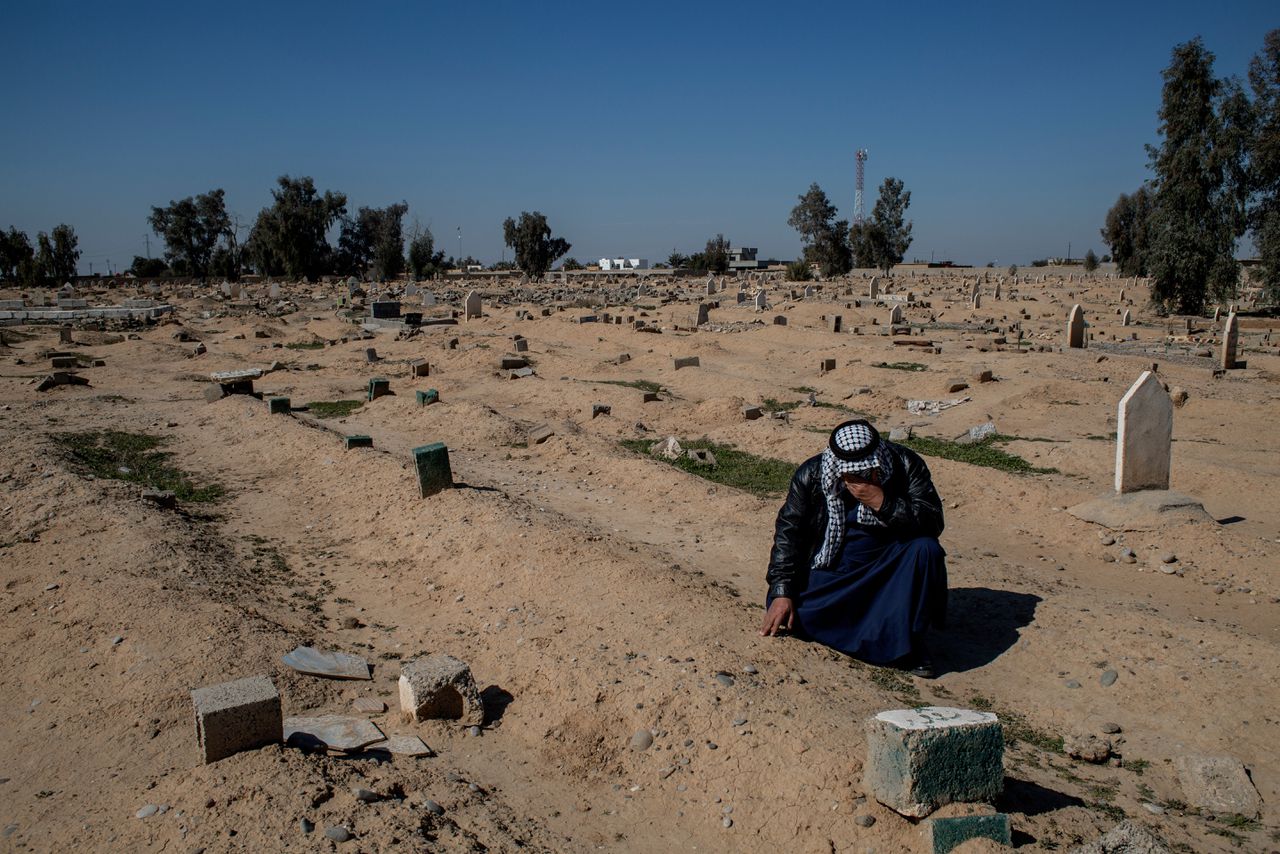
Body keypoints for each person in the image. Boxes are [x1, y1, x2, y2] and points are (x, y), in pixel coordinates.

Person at [759, 419, 947, 677]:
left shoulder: (905, 464)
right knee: (794, 611)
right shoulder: (812, 474)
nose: (857, 479)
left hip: (889, 566)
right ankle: (873, 630)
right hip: (834, 567)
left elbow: (933, 522)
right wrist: (782, 591)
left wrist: (883, 502)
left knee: (926, 550)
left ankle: (909, 645)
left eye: (865, 471)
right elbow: (789, 534)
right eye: (851, 473)